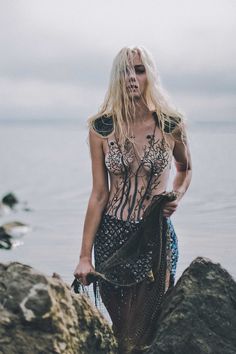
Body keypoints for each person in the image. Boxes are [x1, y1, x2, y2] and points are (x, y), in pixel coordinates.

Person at [73, 46, 192, 353]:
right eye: (124, 71)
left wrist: (176, 194)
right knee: (123, 331)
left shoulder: (171, 123)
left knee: (149, 327)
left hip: (157, 237)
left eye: (139, 70)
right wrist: (85, 256)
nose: (131, 78)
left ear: (149, 75)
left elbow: (185, 168)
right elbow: (99, 194)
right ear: (115, 78)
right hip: (111, 238)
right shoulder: (102, 128)